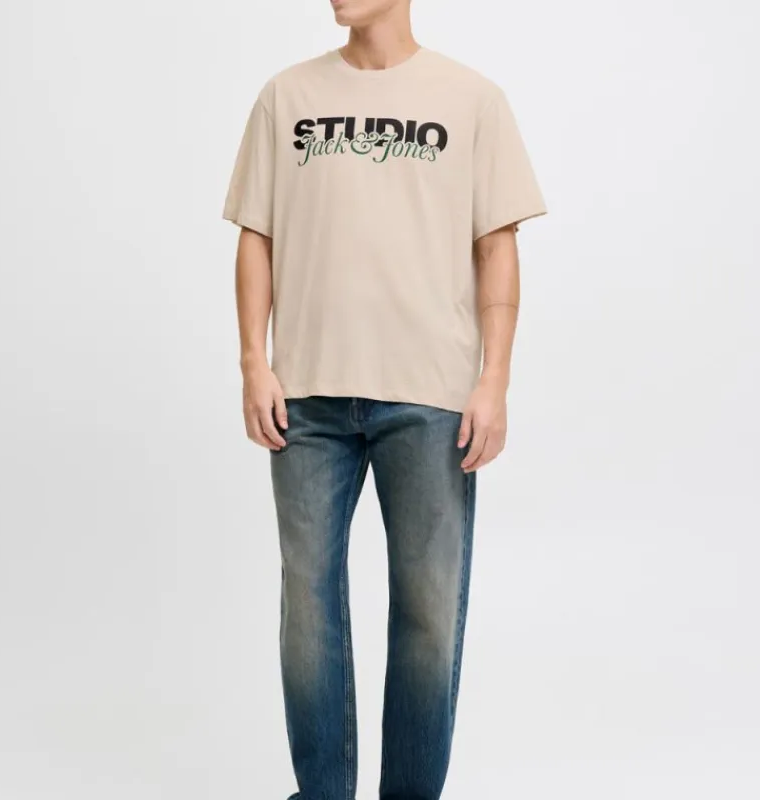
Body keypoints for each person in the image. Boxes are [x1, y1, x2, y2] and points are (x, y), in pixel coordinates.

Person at [222, 0, 546, 797]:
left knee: (430, 615)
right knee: (308, 607)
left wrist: (494, 379)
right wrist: (254, 362)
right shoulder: (286, 97)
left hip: (430, 399)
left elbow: (496, 246)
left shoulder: (471, 99)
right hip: (307, 401)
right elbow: (256, 236)